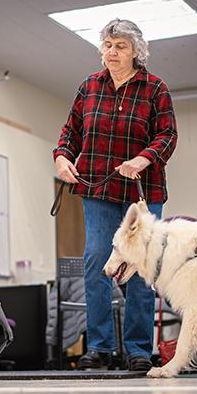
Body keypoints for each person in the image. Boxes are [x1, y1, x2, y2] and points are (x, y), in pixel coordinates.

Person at [53, 19, 177, 371]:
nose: (112, 52)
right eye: (107, 45)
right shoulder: (89, 86)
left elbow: (167, 135)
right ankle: (101, 347)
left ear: (137, 51)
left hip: (142, 190)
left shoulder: (155, 88)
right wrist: (62, 156)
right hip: (98, 186)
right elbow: (71, 131)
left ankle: (138, 350)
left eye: (120, 46)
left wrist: (143, 158)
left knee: (140, 266)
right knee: (95, 260)